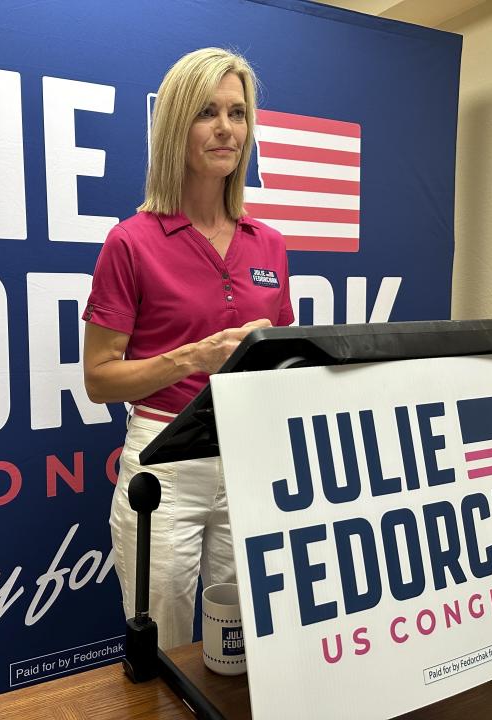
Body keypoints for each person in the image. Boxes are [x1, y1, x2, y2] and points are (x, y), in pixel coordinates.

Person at [82, 47, 294, 649]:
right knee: (164, 645)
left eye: (238, 112)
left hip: (248, 457)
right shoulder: (132, 242)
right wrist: (192, 358)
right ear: (177, 125)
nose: (226, 129)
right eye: (207, 112)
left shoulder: (270, 245)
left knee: (243, 640)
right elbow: (98, 379)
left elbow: (280, 358)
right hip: (165, 461)